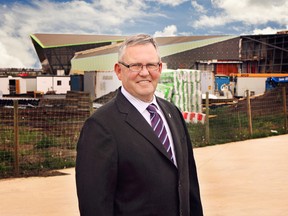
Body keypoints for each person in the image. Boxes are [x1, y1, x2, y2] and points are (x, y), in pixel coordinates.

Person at [76, 34, 203, 216]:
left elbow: (189, 182)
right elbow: (95, 205)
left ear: (159, 68)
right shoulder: (100, 127)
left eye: (151, 65)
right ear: (119, 71)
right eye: (135, 65)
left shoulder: (172, 113)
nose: (144, 72)